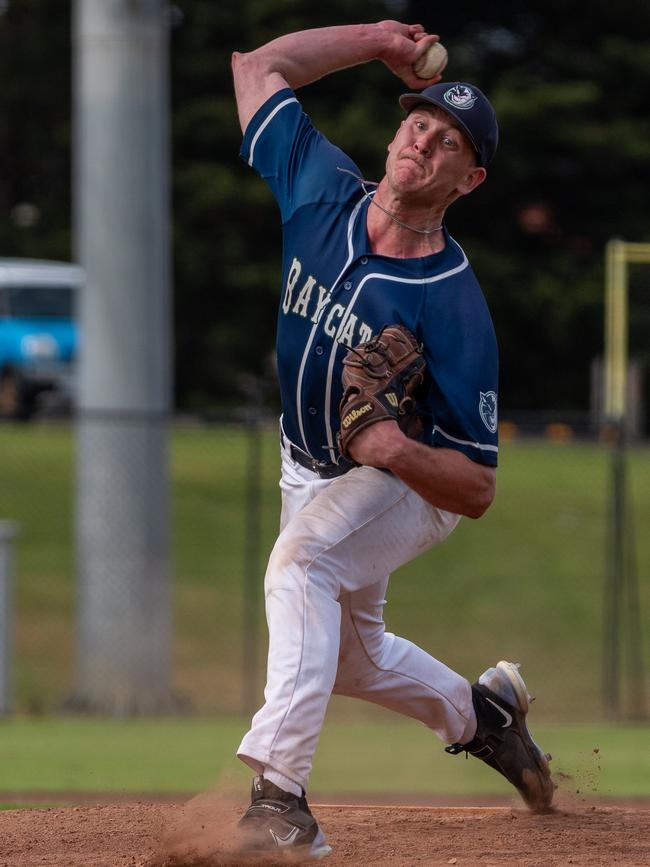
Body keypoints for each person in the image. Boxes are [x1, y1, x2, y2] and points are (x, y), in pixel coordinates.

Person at [230, 20, 554, 859]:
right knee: (348, 658)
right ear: (395, 131)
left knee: (302, 563)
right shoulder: (321, 187)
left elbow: (476, 487)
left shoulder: (453, 304)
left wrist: (392, 451)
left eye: (450, 142)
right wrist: (375, 39)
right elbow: (258, 66)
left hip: (408, 486)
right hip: (311, 466)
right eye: (419, 122)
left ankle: (280, 799)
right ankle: (486, 718)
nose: (426, 140)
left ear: (468, 178)